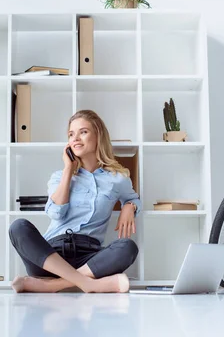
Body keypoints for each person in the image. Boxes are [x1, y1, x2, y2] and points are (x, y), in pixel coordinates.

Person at [9, 109, 141, 293]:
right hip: (50, 258)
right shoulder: (59, 177)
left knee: (128, 247)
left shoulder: (117, 178)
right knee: (18, 227)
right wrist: (68, 170)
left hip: (89, 258)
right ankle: (89, 284)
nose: (76, 138)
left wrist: (130, 205)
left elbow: (134, 198)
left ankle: (52, 286)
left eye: (83, 132)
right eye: (71, 134)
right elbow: (56, 212)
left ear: (98, 136)